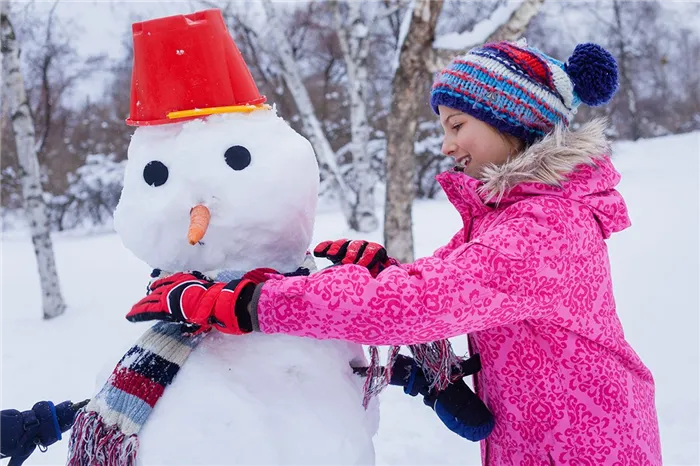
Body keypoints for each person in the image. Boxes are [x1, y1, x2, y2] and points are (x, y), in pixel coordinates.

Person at [128, 40, 662, 465]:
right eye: (442, 129)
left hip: (587, 446)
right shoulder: (512, 216)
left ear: (512, 121)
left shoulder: (546, 226)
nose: (447, 144)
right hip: (543, 438)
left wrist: (247, 302)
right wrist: (384, 271)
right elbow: (438, 280)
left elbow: (414, 306)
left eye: (457, 125)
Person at [0, 400, 86, 466]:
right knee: (58, 417)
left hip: (39, 431)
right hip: (37, 423)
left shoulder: (24, 448)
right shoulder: (24, 447)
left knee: (58, 420)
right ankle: (77, 409)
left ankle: (78, 411)